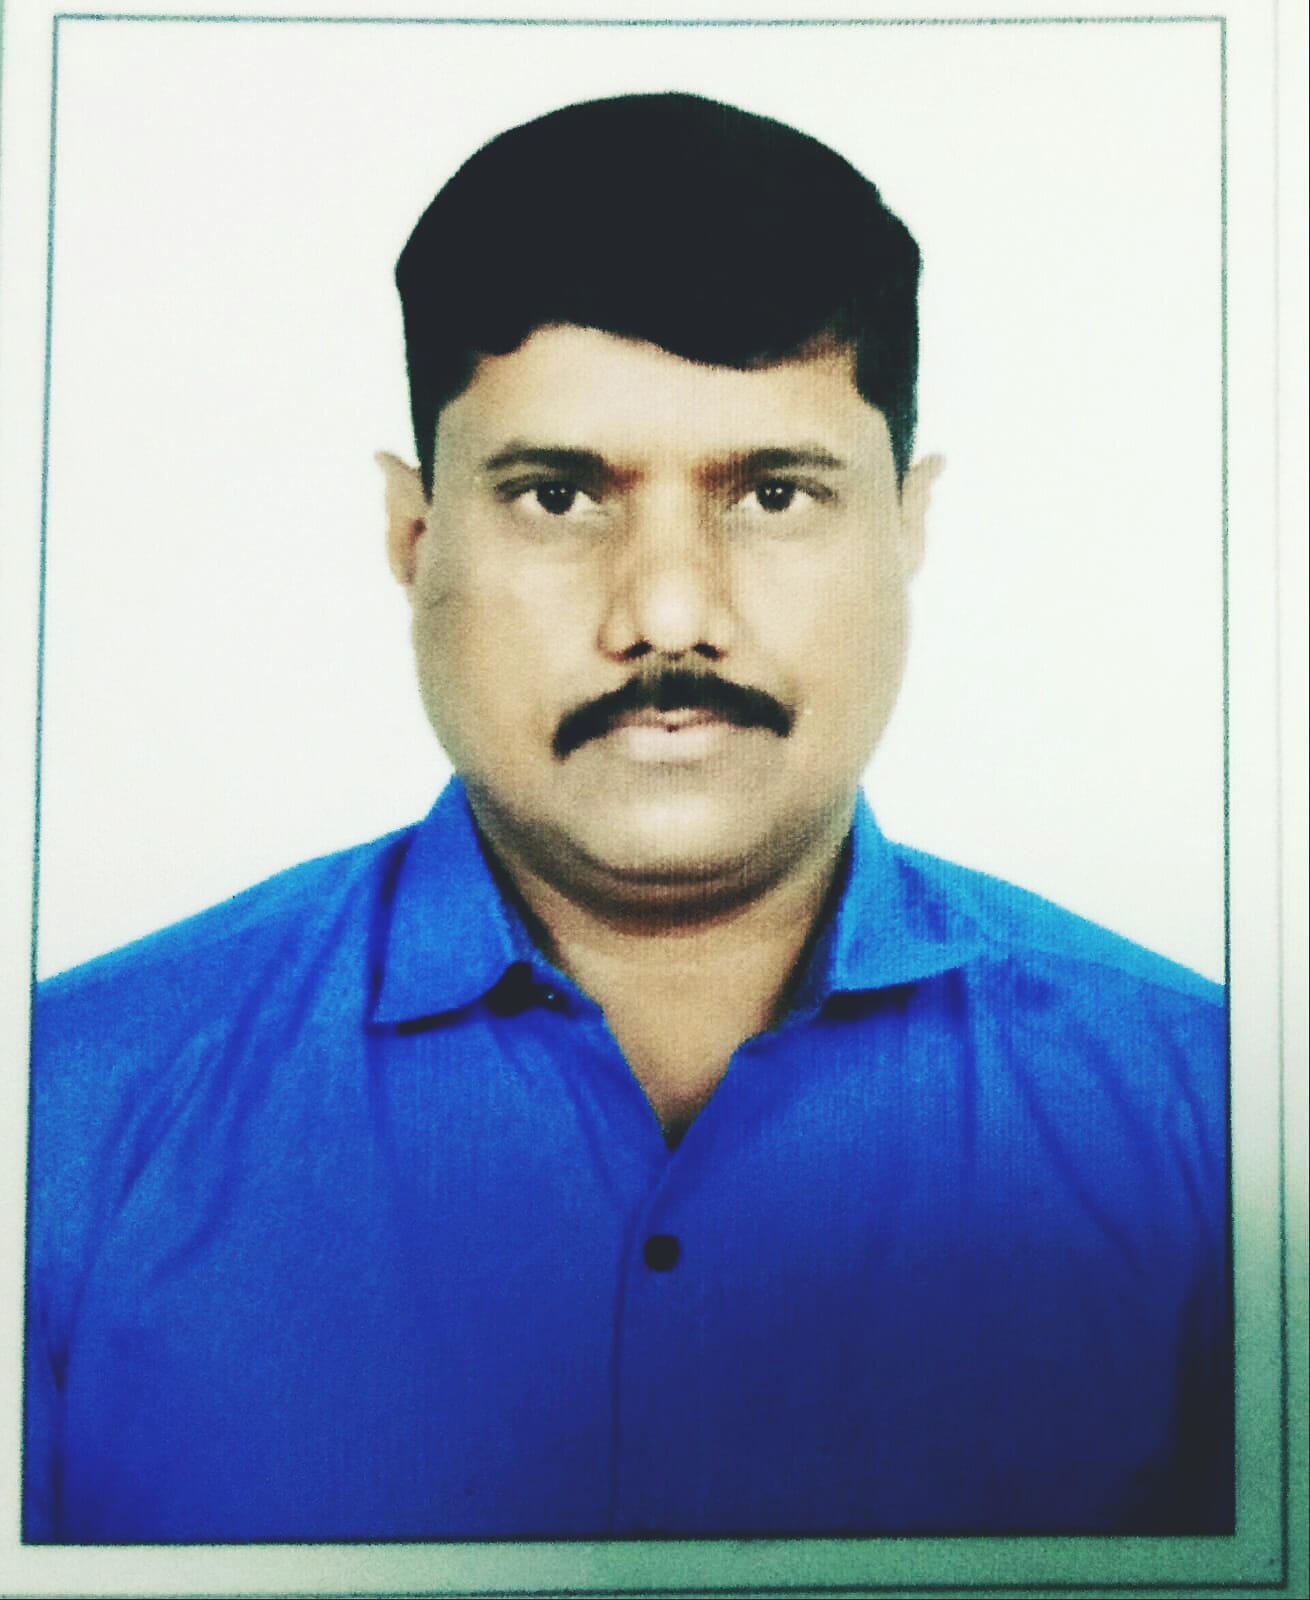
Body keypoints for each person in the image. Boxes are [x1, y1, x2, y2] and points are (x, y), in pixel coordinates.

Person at [23, 92, 1231, 1543]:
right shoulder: (54, 1124)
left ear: (906, 529)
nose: (666, 613)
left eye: (773, 495)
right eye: (557, 496)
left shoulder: (1222, 1128)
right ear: (414, 535)